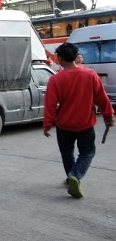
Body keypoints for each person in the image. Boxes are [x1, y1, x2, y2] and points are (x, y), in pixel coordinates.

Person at [43, 42, 114, 198]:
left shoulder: (56, 79)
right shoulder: (90, 75)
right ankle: (74, 175)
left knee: (66, 153)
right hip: (85, 124)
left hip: (64, 125)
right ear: (76, 57)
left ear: (60, 59)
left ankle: (72, 176)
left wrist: (47, 124)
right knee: (87, 152)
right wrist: (108, 116)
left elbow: (50, 104)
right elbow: (102, 98)